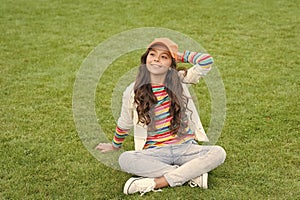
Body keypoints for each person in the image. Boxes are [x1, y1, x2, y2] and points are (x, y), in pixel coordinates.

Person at [95, 38, 226, 196]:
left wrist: (179, 55)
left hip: (185, 147)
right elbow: (125, 122)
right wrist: (115, 145)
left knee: (218, 152)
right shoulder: (132, 91)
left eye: (164, 56)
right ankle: (190, 175)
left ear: (171, 63)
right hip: (155, 152)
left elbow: (206, 61)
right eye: (152, 54)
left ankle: (157, 182)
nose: (156, 59)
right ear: (146, 59)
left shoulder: (180, 79)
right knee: (125, 159)